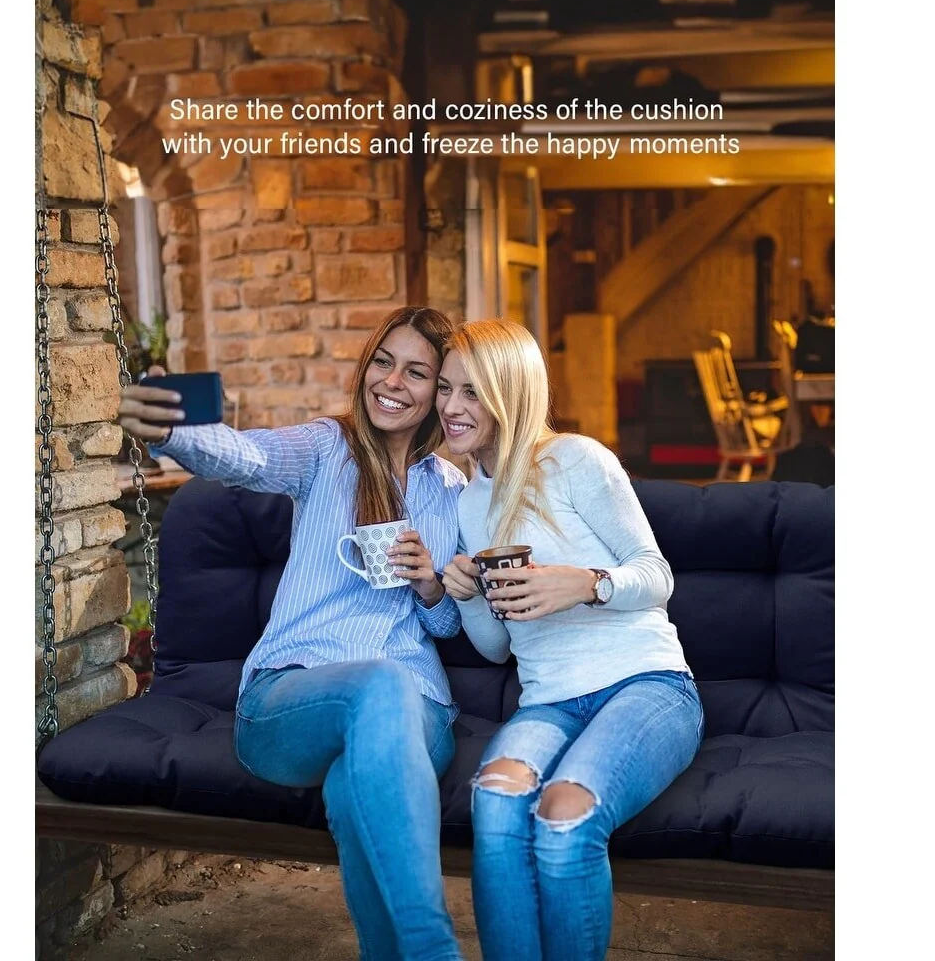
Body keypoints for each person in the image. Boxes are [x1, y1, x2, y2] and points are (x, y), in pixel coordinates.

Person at [118, 307, 467, 961]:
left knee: (353, 788)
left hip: (418, 707)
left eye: (417, 372)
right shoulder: (327, 448)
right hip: (291, 698)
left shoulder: (450, 490)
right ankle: (434, 949)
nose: (392, 382)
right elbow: (248, 456)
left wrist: (428, 584)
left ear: (437, 393)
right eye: (383, 362)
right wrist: (172, 432)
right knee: (381, 683)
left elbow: (448, 623)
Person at [437, 319, 703, 961]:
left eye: (472, 391)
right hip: (549, 701)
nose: (450, 407)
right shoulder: (468, 504)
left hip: (647, 685)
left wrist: (586, 583)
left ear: (509, 392)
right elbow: (497, 648)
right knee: (495, 803)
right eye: (445, 388)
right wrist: (466, 595)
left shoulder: (576, 461)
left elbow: (657, 575)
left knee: (563, 817)